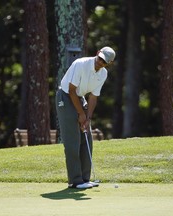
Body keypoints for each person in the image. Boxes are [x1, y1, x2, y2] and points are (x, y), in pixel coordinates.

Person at [55, 46, 116, 189]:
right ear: (97, 53)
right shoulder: (81, 64)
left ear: (109, 63)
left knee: (86, 137)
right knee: (72, 139)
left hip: (80, 98)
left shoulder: (103, 74)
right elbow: (71, 91)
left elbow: (93, 97)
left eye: (104, 62)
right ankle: (75, 181)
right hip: (65, 97)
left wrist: (87, 117)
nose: (100, 63)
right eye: (100, 59)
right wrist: (81, 114)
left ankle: (84, 179)